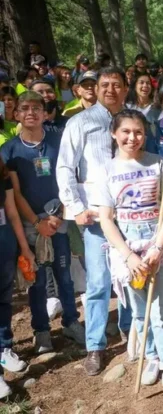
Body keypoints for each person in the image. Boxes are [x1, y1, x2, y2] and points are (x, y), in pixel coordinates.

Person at [95, 109, 163, 390]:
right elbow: (106, 219)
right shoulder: (106, 171)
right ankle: (152, 357)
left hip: (160, 247)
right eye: (126, 132)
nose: (133, 138)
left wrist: (157, 246)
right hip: (127, 252)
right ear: (114, 134)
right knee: (142, 313)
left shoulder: (159, 165)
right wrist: (129, 257)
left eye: (139, 132)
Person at [56, 67, 136, 375]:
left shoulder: (134, 122)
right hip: (96, 215)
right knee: (99, 282)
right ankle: (96, 346)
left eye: (117, 84)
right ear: (95, 89)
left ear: (126, 88)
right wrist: (75, 206)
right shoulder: (80, 122)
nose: (111, 90)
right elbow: (65, 167)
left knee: (131, 276)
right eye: (105, 85)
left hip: (131, 212)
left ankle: (132, 331)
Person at [1, 91, 85, 353]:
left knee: (64, 274)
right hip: (29, 224)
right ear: (15, 114)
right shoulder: (9, 151)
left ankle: (72, 321)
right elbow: (13, 193)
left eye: (36, 108)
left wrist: (58, 214)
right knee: (35, 280)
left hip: (59, 216)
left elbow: (69, 177)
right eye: (24, 108)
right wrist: (36, 223)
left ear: (45, 112)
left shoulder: (59, 141)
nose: (31, 113)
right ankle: (42, 331)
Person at [0, 155, 35, 397]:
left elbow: (12, 214)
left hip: (4, 248)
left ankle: (4, 348)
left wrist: (24, 248)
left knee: (4, 303)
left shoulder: (3, 176)